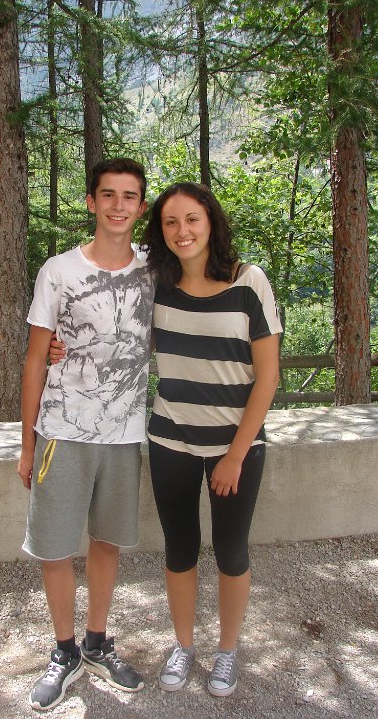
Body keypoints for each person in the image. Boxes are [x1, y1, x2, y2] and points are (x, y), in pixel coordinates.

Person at [17, 157, 155, 711]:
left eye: (129, 196)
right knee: (54, 547)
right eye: (109, 195)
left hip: (124, 434)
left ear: (141, 207)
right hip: (62, 430)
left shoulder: (154, 270)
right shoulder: (58, 271)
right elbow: (35, 358)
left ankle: (97, 643)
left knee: (107, 542)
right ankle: (64, 651)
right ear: (91, 202)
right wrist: (27, 441)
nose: (119, 206)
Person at [142, 182, 282, 697]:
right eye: (171, 222)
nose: (182, 231)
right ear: (161, 230)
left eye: (192, 219)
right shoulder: (156, 284)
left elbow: (268, 376)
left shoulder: (249, 281)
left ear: (211, 222)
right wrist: (60, 348)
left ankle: (227, 651)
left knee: (230, 550)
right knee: (179, 548)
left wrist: (235, 456)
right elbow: (117, 339)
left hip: (235, 447)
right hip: (169, 440)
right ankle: (183, 644)